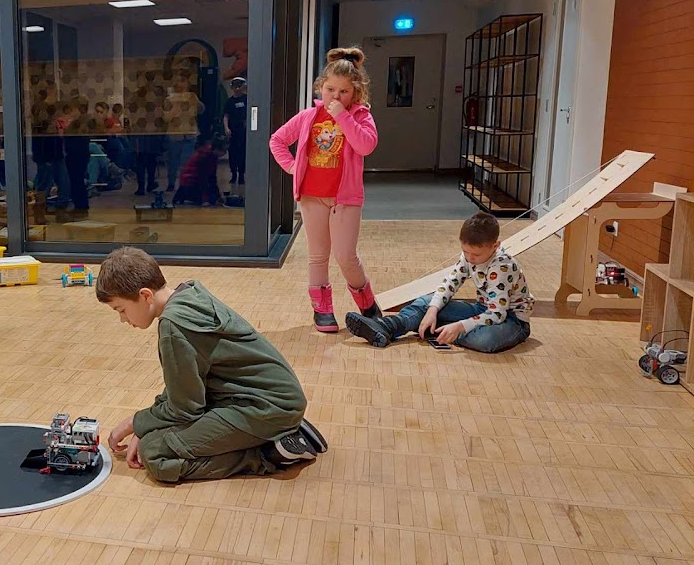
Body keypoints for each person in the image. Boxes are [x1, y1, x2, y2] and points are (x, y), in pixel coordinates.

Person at [96, 247, 319, 484]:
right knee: (154, 434)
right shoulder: (189, 293)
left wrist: (136, 423)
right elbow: (184, 386)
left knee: (154, 453)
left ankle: (269, 453)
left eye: (121, 310)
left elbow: (185, 409)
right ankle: (275, 432)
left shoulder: (173, 326)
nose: (123, 319)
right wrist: (146, 425)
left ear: (145, 295)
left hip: (265, 408)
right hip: (274, 398)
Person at [269, 47, 380, 333]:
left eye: (344, 91)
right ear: (321, 87)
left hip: (345, 199)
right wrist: (292, 167)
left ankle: (367, 304)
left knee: (346, 256)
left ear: (355, 93)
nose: (336, 96)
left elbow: (366, 146)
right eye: (330, 89)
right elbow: (277, 140)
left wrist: (343, 117)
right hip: (311, 197)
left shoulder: (361, 117)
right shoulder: (309, 116)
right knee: (318, 256)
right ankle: (322, 309)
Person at [346, 212, 534, 353]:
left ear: (495, 245)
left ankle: (438, 330)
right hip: (481, 309)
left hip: (511, 320)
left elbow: (497, 314)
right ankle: (387, 325)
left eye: (476, 254)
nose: (470, 258)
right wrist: (432, 310)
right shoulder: (470, 256)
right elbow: (449, 284)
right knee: (427, 302)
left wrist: (459, 327)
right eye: (465, 252)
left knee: (487, 340)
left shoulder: (502, 267)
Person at [163, 73, 203, 194]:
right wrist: (176, 107)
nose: (182, 85)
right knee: (173, 161)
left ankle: (185, 185)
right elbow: (166, 118)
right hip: (175, 135)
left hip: (190, 133)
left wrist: (195, 102)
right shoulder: (169, 99)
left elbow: (201, 110)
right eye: (179, 82)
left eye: (184, 82)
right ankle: (171, 183)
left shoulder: (192, 96)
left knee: (187, 161)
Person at [172, 138, 227, 206]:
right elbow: (202, 179)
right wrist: (205, 200)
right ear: (216, 148)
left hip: (194, 182)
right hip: (190, 183)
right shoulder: (204, 157)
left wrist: (218, 195)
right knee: (212, 200)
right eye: (223, 150)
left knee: (214, 198)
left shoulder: (213, 155)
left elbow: (212, 177)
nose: (225, 152)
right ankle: (186, 194)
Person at [223, 77, 248, 186]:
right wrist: (226, 128)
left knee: (242, 153)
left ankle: (241, 175)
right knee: (232, 153)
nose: (237, 89)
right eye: (235, 86)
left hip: (243, 131)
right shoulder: (229, 102)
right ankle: (233, 174)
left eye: (239, 86)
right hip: (233, 131)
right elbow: (226, 116)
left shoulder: (247, 99)